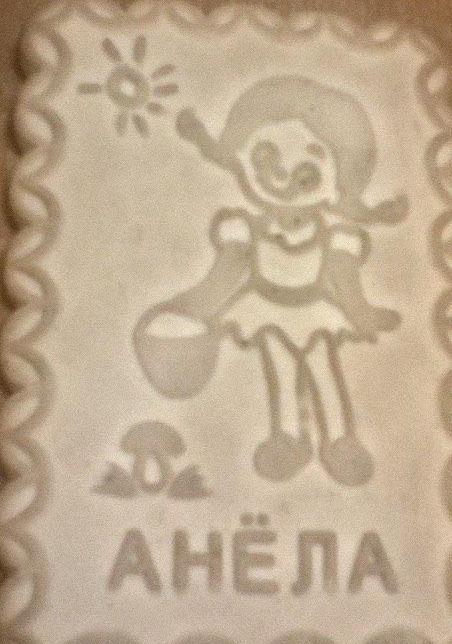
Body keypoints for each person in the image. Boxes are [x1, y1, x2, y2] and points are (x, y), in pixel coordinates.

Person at [134, 75, 408, 486]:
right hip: (266, 309)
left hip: (314, 313)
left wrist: (363, 315)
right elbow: (222, 277)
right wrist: (191, 309)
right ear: (240, 156)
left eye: (312, 160)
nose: (284, 171)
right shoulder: (242, 230)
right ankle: (288, 440)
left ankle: (339, 441)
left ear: (339, 184)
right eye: (266, 152)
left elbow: (347, 283)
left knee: (321, 368)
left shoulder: (338, 238)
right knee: (281, 369)